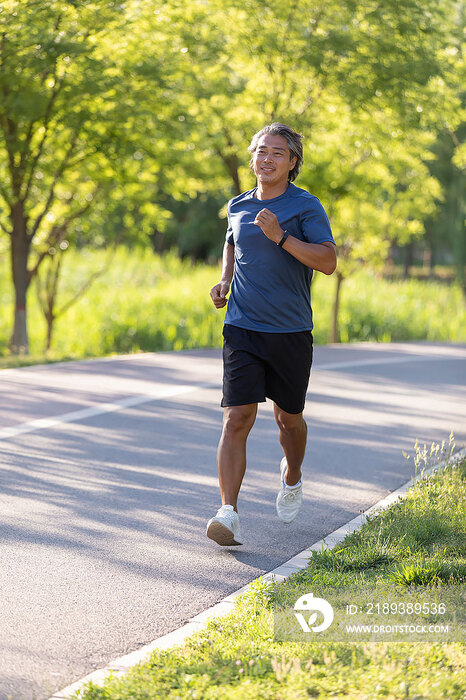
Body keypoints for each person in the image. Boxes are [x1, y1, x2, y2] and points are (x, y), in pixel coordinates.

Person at [206, 122, 336, 546]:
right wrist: (225, 280)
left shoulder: (305, 206)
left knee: (288, 419)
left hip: (290, 330)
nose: (267, 158)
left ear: (292, 162)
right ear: (252, 158)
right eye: (261, 151)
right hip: (242, 327)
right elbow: (232, 241)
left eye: (277, 153)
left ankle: (292, 474)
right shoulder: (239, 204)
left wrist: (281, 237)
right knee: (237, 417)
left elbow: (328, 261)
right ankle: (228, 513)